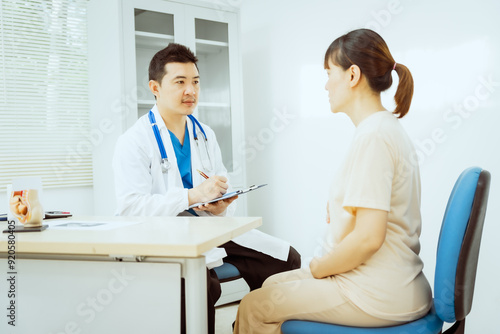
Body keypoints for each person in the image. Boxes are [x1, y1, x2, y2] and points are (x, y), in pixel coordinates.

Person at [233, 28, 432, 333]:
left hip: (376, 291)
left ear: (352, 75)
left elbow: (368, 238)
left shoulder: (374, 137)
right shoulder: (381, 129)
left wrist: (319, 266)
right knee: (272, 282)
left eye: (329, 73)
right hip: (390, 281)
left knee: (254, 307)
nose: (326, 85)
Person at [112, 43, 300, 334]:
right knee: (203, 286)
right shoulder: (134, 141)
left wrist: (222, 203)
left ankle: (248, 326)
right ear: (155, 87)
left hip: (208, 226)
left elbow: (220, 184)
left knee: (286, 259)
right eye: (180, 82)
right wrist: (192, 195)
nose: (191, 91)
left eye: (195, 82)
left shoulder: (204, 134)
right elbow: (130, 208)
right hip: (165, 235)